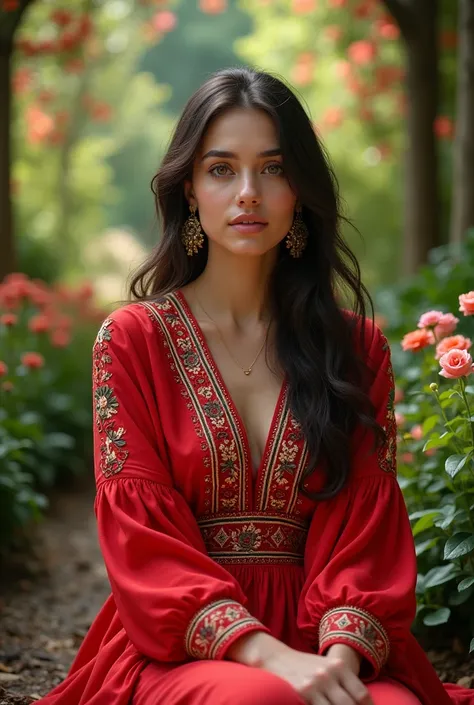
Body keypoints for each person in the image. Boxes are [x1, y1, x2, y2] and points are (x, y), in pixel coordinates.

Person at [36, 67, 473, 705]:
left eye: (272, 168)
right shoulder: (132, 341)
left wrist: (338, 662)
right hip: (185, 641)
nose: (248, 193)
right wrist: (268, 658)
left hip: (326, 633)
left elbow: (363, 533)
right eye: (221, 170)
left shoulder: (356, 348)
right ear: (188, 188)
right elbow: (143, 541)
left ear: (300, 188)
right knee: (259, 700)